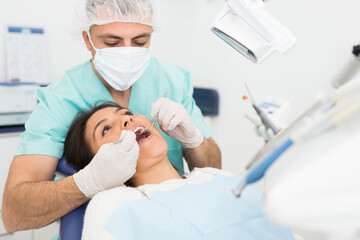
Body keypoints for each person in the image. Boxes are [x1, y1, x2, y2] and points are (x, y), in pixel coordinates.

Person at [1, 0, 221, 233]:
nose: (127, 50)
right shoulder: (60, 100)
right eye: (112, 42)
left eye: (140, 41)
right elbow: (15, 214)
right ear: (87, 39)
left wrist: (194, 140)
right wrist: (88, 182)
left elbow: (214, 171)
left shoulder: (173, 80)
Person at [63, 102, 295, 240]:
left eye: (126, 113)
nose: (127, 120)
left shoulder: (216, 177)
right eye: (105, 130)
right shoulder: (111, 203)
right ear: (98, 162)